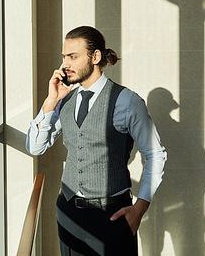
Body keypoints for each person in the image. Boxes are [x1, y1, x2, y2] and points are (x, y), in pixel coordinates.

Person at [26, 26, 167, 255]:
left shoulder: (127, 101)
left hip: (111, 216)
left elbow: (155, 154)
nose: (65, 64)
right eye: (64, 57)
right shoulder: (64, 99)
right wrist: (51, 101)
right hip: (68, 212)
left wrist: (140, 208)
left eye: (73, 57)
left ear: (95, 57)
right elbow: (36, 147)